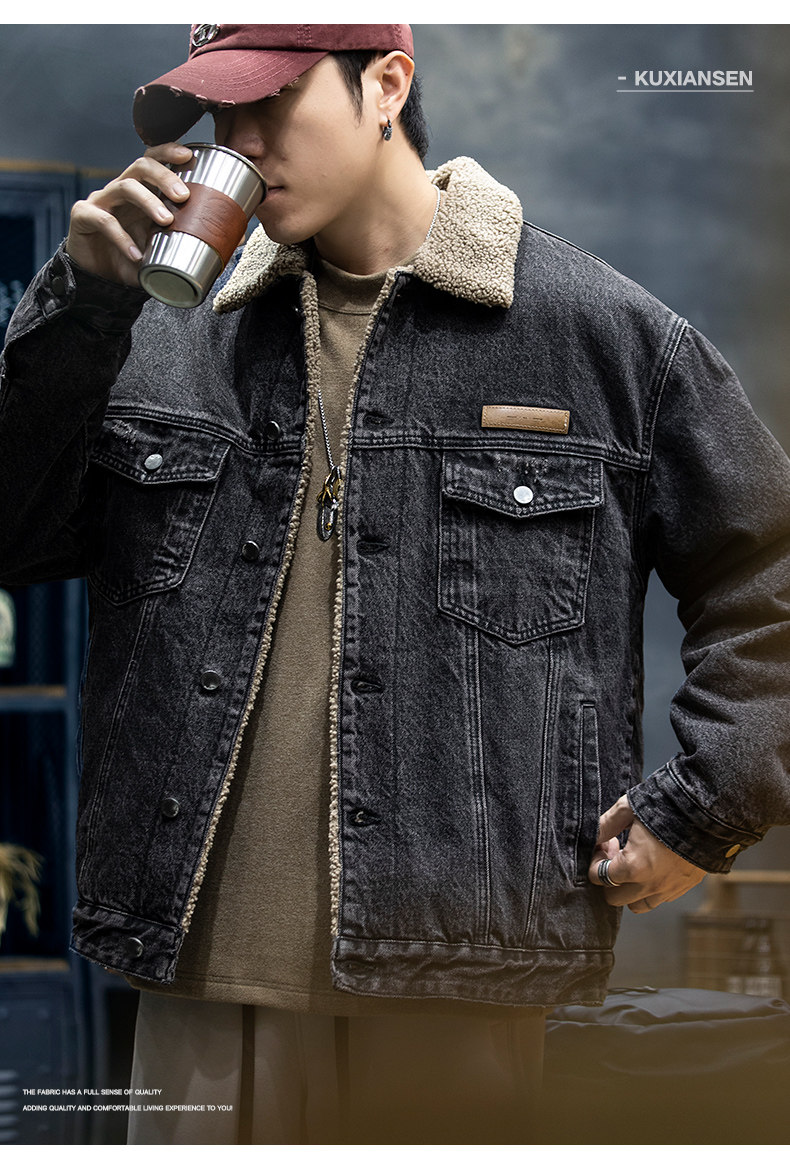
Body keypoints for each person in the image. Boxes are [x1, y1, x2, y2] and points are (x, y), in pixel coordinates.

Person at [1, 22, 789, 1145]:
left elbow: (768, 575)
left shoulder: (603, 337)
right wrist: (81, 308)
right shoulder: (159, 337)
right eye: (220, 114)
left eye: (271, 102)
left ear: (385, 86)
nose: (239, 142)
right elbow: (16, 537)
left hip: (459, 978)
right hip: (193, 980)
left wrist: (702, 810)